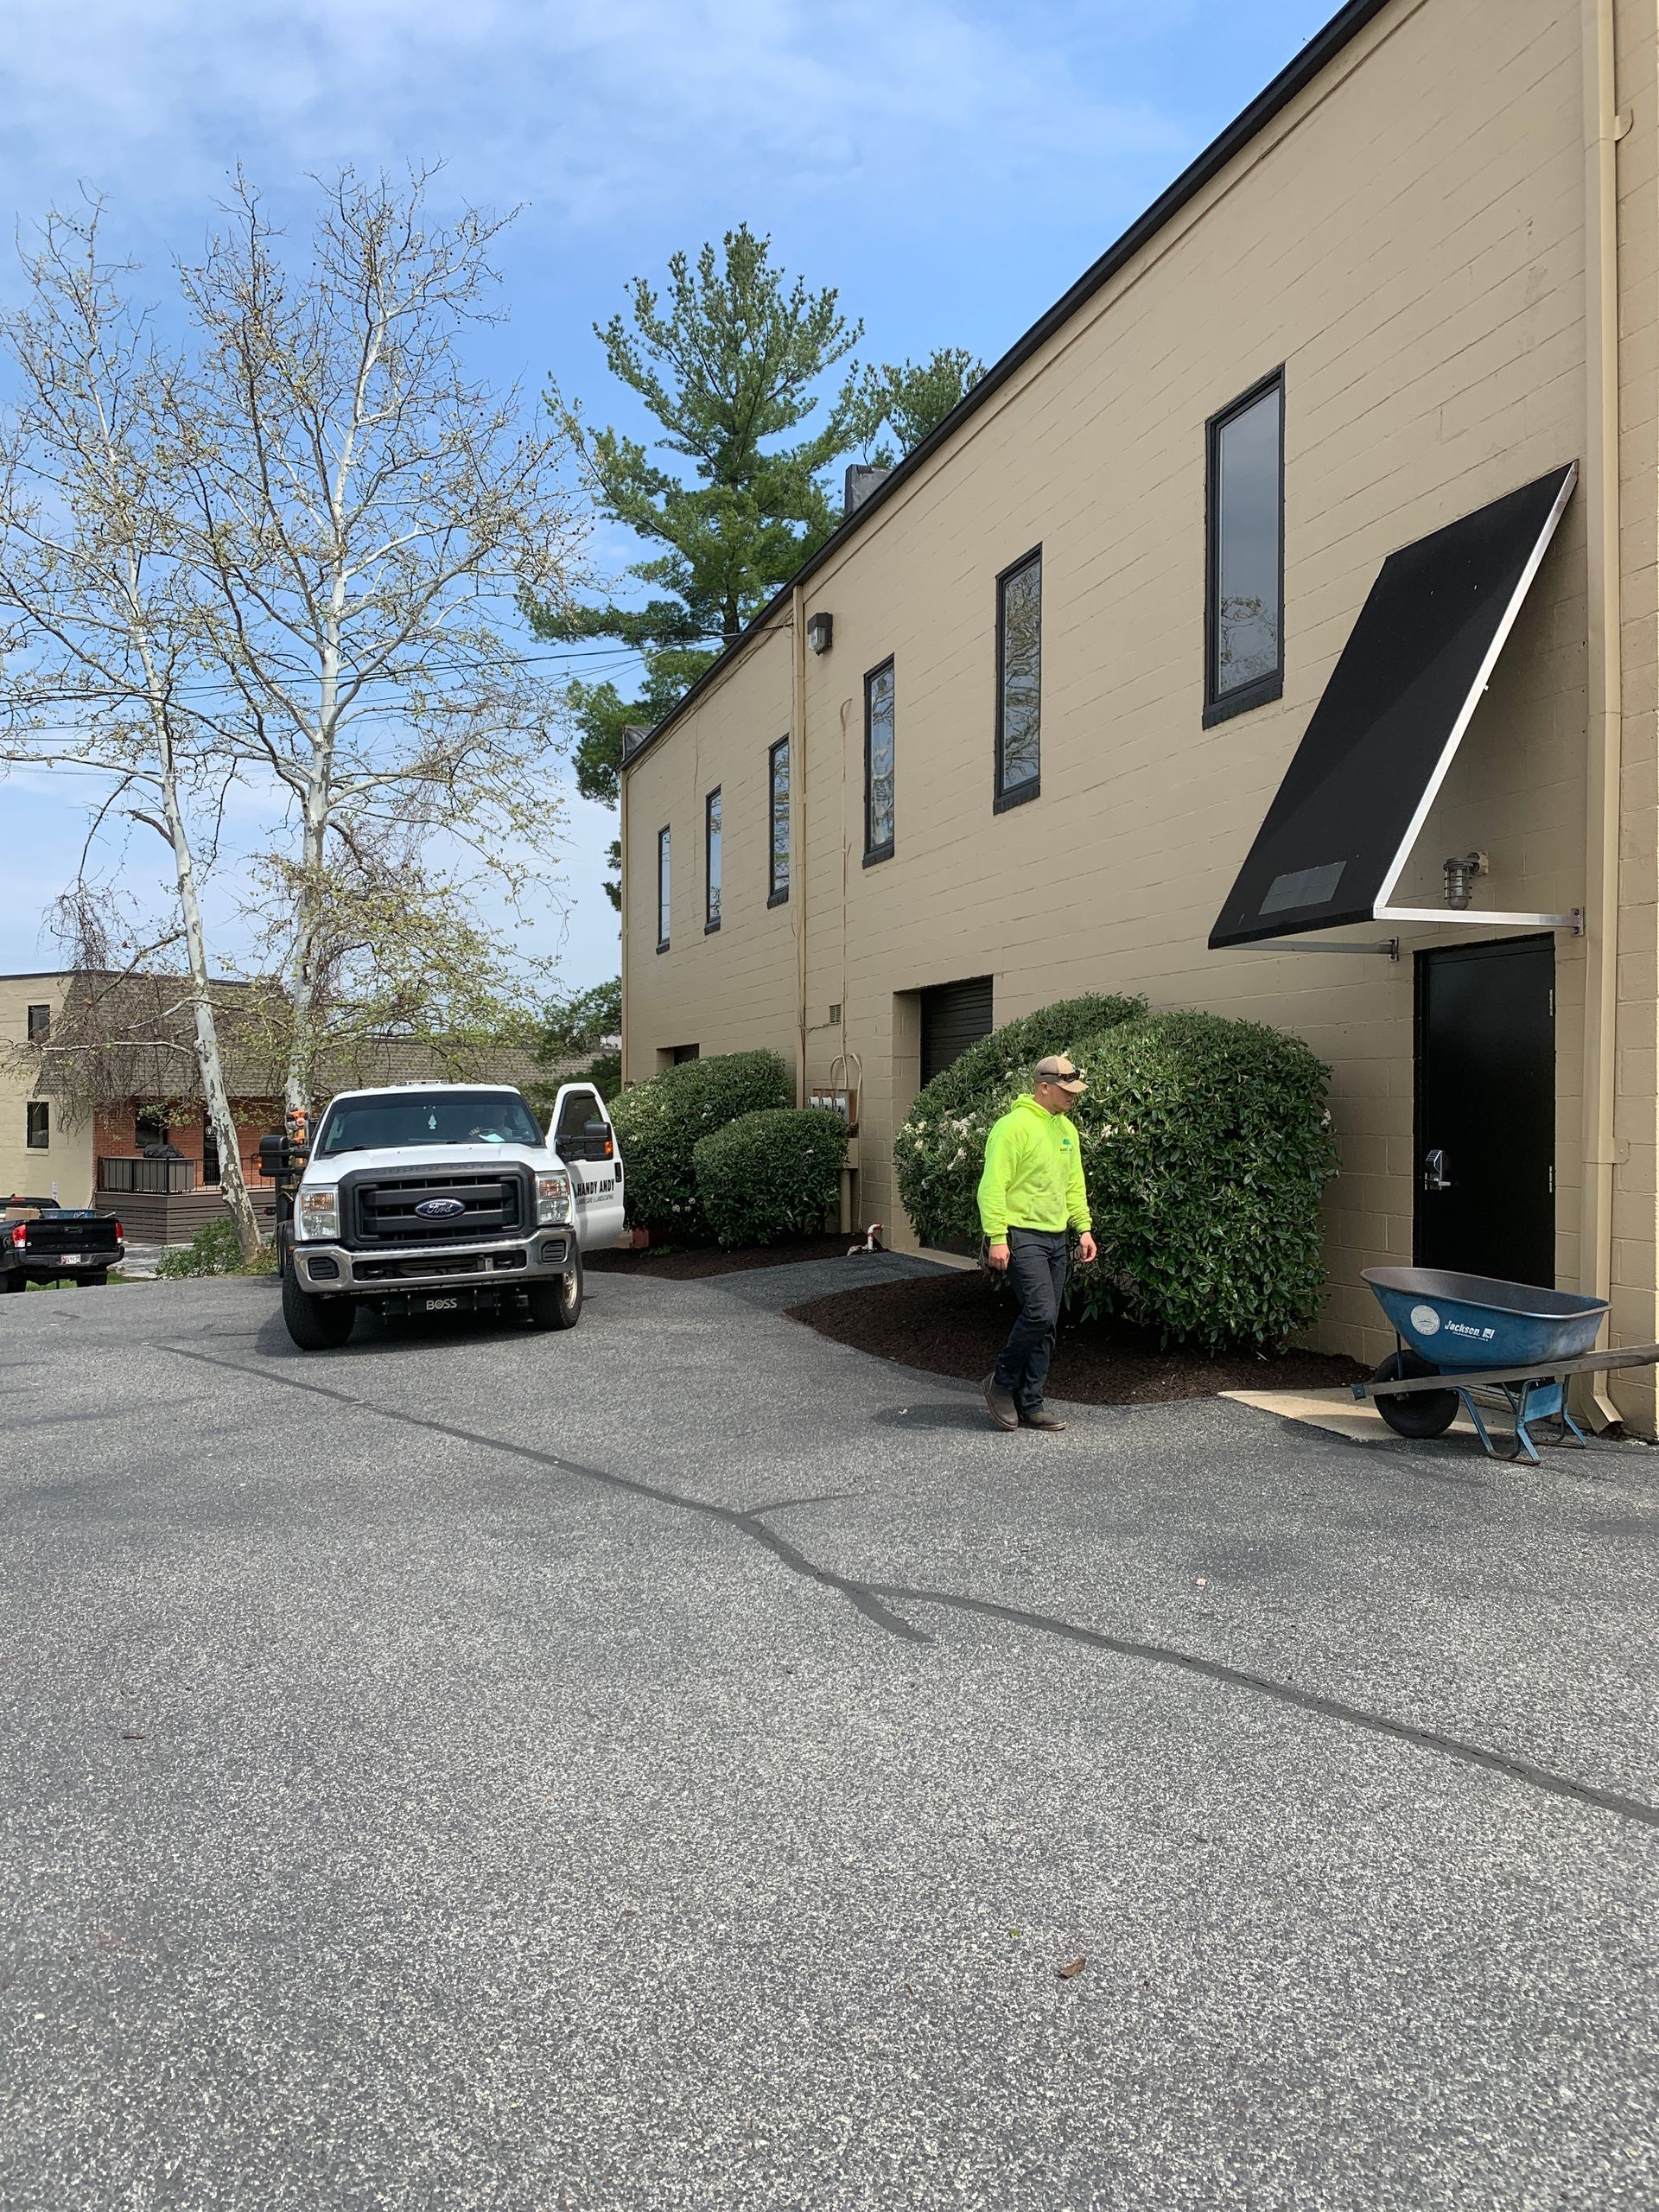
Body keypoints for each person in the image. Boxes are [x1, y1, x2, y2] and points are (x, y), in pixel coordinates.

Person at [976, 1053, 1096, 1433]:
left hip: (1056, 1237)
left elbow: (1073, 1184)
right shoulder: (1012, 1128)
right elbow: (992, 1186)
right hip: (1020, 1235)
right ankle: (1001, 1383)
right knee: (1040, 1312)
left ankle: (1031, 1402)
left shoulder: (1067, 1130)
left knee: (1048, 1323)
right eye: (1066, 1089)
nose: (1072, 1096)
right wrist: (997, 1237)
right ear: (1044, 1087)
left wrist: (1084, 1228)